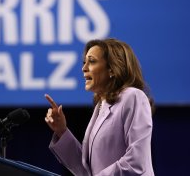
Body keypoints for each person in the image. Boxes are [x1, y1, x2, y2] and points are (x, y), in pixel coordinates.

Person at [44, 38, 155, 176]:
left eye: (92, 61)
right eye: (84, 62)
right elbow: (85, 170)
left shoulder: (133, 96)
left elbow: (136, 162)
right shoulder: (101, 107)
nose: (84, 68)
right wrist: (62, 131)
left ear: (112, 69)